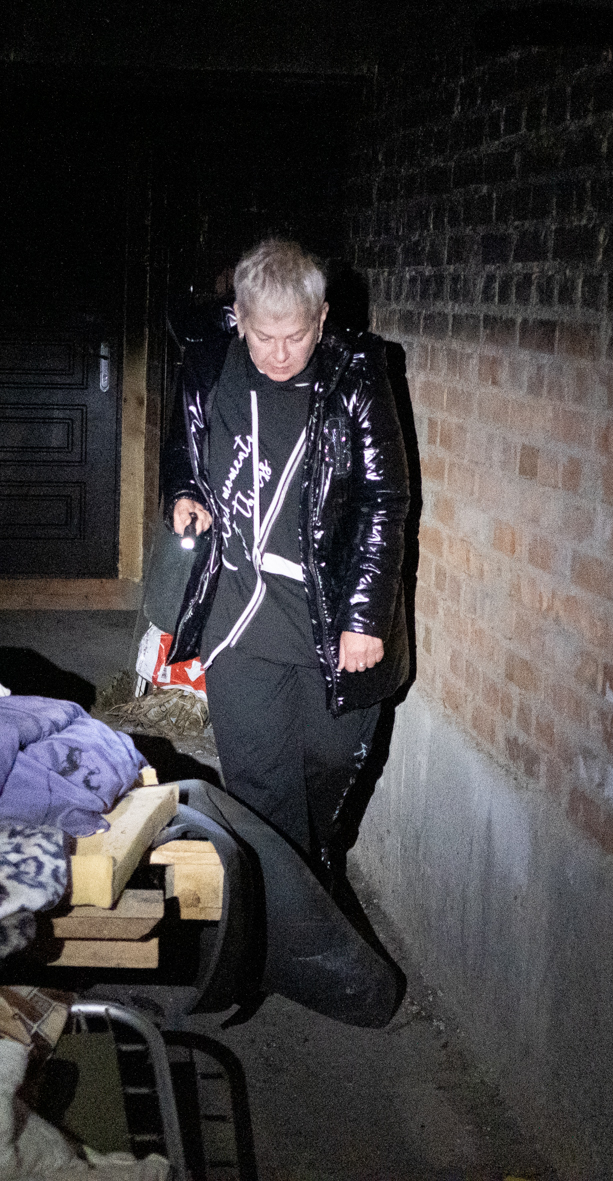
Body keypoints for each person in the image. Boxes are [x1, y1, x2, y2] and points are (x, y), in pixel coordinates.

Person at [160, 238, 411, 875]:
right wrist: (184, 493)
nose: (278, 355)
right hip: (239, 616)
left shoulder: (356, 377)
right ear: (238, 318)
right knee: (259, 786)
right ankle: (282, 924)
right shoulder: (207, 365)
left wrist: (365, 617)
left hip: (330, 617)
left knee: (332, 762)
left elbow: (385, 500)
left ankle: (315, 874)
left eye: (296, 337)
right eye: (263, 335)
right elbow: (181, 450)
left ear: (322, 318)